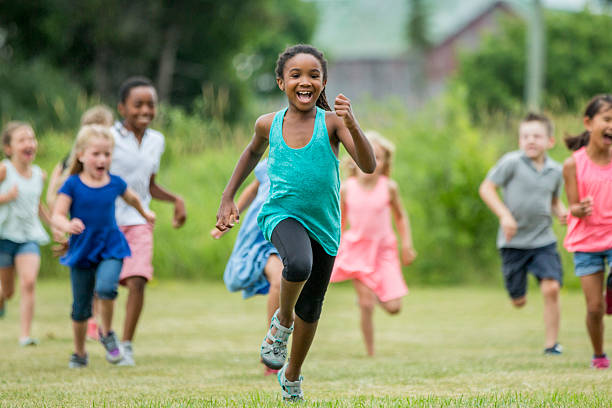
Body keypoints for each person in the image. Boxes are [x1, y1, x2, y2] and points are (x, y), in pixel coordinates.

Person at [216, 44, 376, 401]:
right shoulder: (268, 124)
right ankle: (282, 322)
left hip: (325, 225)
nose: (305, 81)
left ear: (323, 83)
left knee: (312, 307)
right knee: (298, 263)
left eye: (313, 75)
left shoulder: (332, 123)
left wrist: (353, 123)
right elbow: (251, 153)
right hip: (280, 215)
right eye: (296, 75)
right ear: (280, 82)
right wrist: (228, 197)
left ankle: (292, 375)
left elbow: (368, 165)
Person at [51, 125, 155, 368]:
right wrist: (67, 224)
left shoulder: (115, 183)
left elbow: (133, 198)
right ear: (81, 155)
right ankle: (79, 353)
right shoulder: (72, 184)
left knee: (107, 288)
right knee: (80, 307)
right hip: (82, 250)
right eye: (96, 154)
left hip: (110, 247)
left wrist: (145, 214)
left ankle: (106, 333)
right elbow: (57, 214)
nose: (102, 159)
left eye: (107, 154)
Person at [110, 76, 186, 366]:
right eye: (137, 104)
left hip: (140, 218)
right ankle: (103, 331)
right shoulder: (109, 137)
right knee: (105, 285)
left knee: (138, 279)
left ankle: (126, 345)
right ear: (122, 108)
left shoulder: (157, 140)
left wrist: (176, 200)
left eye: (150, 104)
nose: (145, 110)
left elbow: (149, 186)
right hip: (107, 221)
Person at [479, 112, 567, 355]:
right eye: (525, 136)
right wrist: (504, 215)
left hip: (543, 240)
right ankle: (517, 294)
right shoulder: (511, 163)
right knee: (518, 301)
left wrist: (562, 212)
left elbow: (554, 200)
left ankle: (551, 345)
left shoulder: (556, 171)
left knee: (552, 288)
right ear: (519, 141)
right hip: (512, 243)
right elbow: (486, 188)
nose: (530, 140)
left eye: (537, 136)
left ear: (550, 141)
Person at [330, 130, 416, 356]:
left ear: (385, 162)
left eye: (377, 157)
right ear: (355, 159)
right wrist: (333, 247)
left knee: (394, 308)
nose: (371, 162)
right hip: (356, 251)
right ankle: (370, 352)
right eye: (366, 155)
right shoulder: (347, 188)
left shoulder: (389, 187)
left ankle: (373, 293)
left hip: (383, 252)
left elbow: (400, 216)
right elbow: (339, 221)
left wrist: (406, 244)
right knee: (366, 305)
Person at [46, 105, 115, 341]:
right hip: (80, 231)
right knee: (86, 281)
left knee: (103, 280)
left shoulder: (108, 160)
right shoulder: (71, 161)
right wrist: (61, 225)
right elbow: (53, 193)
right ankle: (91, 320)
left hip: (103, 230)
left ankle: (96, 320)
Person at [210, 158, 283, 375]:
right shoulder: (269, 161)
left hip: (287, 231)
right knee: (279, 281)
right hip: (259, 234)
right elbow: (254, 188)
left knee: (288, 289)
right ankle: (273, 347)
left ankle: (275, 344)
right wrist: (230, 217)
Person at [562, 94, 612, 369]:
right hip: (587, 241)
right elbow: (573, 208)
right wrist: (581, 208)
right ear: (589, 123)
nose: (611, 126)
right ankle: (599, 355)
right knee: (595, 308)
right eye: (607, 120)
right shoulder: (572, 165)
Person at [0, 122, 51, 346]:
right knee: (7, 291)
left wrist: (55, 226)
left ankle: (25, 335)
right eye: (22, 139)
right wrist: (5, 198)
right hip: (4, 237)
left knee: (28, 282)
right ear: (9, 148)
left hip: (29, 236)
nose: (29, 143)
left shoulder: (39, 174)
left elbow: (37, 204)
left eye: (32, 138)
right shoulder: (4, 170)